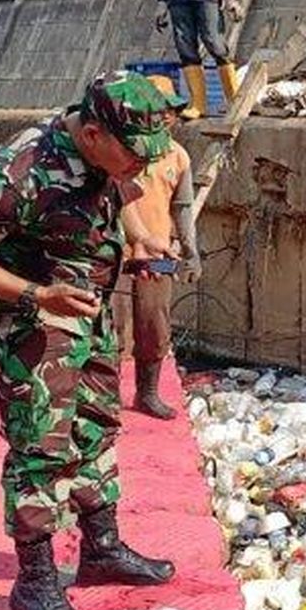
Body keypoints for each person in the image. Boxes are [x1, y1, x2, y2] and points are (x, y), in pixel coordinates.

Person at [0, 72, 185, 610]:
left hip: (86, 308)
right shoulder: (18, 174)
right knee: (40, 444)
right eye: (132, 156)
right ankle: (36, 578)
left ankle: (101, 547)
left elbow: (124, 196)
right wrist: (36, 294)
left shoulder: (114, 157)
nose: (141, 168)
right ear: (92, 134)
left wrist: (140, 242)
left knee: (97, 422)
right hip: (33, 321)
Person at [112, 75, 201, 420]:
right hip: (117, 252)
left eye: (172, 110)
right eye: (159, 110)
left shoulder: (178, 156)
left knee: (155, 323)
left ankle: (146, 393)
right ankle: (107, 397)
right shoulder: (118, 149)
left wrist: (190, 251)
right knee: (114, 325)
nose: (166, 117)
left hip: (159, 253)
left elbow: (183, 207)